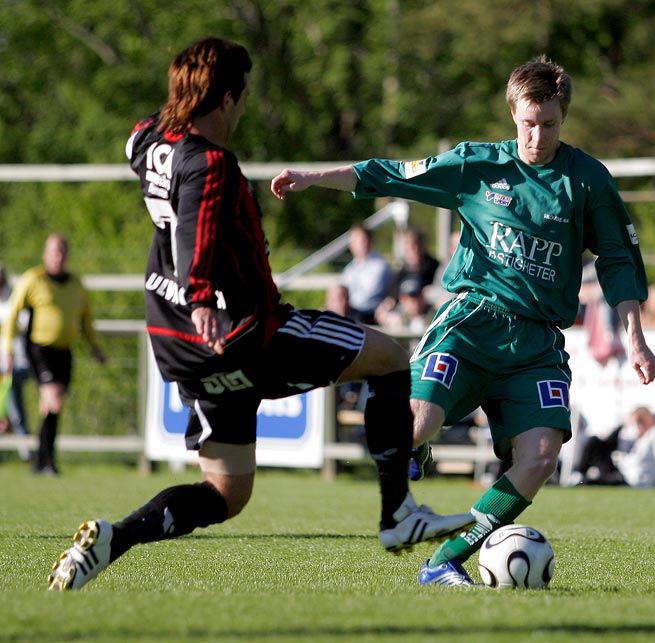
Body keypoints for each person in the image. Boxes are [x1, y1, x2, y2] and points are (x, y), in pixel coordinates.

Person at [46, 37, 472, 592]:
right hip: (248, 330)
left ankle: (113, 539)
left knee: (226, 494)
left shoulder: (153, 142)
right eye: (242, 94)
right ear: (224, 99)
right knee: (392, 359)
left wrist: (178, 101)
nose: (244, 105)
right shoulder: (212, 163)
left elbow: (139, 136)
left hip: (181, 347)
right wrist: (201, 295)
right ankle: (399, 515)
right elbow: (196, 232)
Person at [271, 55, 655, 587]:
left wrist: (635, 337)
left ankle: (445, 559)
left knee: (542, 456)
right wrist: (316, 178)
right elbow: (394, 176)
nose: (537, 136)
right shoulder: (480, 166)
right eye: (528, 123)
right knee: (415, 426)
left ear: (562, 119)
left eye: (549, 125)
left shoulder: (587, 181)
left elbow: (617, 260)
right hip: (472, 322)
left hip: (538, 342)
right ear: (512, 115)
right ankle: (419, 446)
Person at [0, 235, 106, 474]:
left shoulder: (76, 284)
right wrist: (7, 350)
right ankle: (47, 461)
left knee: (52, 407)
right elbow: (12, 317)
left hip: (64, 351)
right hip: (39, 350)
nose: (58, 257)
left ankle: (41, 460)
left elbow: (86, 320)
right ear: (45, 254)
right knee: (53, 401)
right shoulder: (33, 280)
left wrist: (95, 349)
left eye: (62, 252)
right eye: (54, 251)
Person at [573, 407, 655, 487]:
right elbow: (608, 442)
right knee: (595, 442)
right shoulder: (640, 438)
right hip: (624, 473)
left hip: (633, 480)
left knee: (592, 482)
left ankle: (581, 477)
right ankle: (580, 475)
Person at [0, 266, 32, 459]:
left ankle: (26, 451)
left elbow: (23, 322)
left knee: (14, 408)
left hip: (13, 362)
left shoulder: (14, 299)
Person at [338, 224, 394, 324]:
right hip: (353, 312)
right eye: (355, 241)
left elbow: (366, 299)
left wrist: (343, 304)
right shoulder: (350, 269)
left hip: (369, 315)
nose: (360, 244)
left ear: (370, 241)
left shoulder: (380, 266)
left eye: (362, 240)